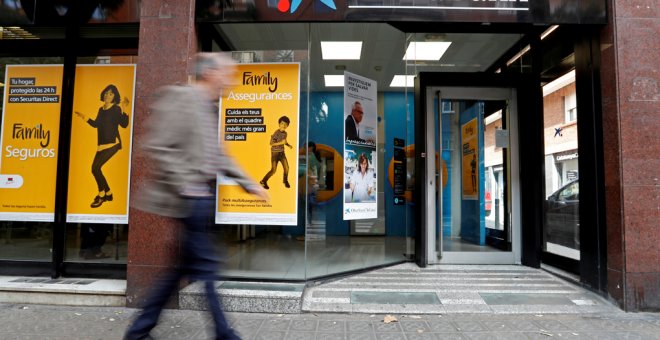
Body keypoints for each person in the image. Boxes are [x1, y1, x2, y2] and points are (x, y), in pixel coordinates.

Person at [124, 53, 268, 340]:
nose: (231, 79)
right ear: (211, 73)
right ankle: (224, 334)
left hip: (200, 200)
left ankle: (138, 332)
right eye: (227, 73)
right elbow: (159, 147)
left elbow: (218, 156)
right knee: (207, 269)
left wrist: (249, 184)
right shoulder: (183, 99)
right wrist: (187, 184)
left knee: (179, 271)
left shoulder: (208, 107)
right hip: (189, 199)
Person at [74, 84, 130, 208]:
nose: (107, 95)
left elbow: (124, 124)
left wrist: (124, 107)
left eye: (110, 93)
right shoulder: (101, 109)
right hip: (101, 145)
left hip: (113, 144)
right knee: (96, 169)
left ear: (114, 96)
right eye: (106, 93)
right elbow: (96, 125)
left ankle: (101, 195)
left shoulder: (116, 109)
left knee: (95, 168)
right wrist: (84, 117)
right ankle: (109, 193)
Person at [260, 115, 293, 190]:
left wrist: (288, 145)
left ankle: (285, 180)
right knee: (273, 170)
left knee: (287, 168)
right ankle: (263, 181)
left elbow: (284, 141)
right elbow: (271, 143)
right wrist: (281, 143)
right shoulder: (276, 133)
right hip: (275, 154)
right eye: (282, 123)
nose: (283, 125)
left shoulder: (285, 133)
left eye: (285, 124)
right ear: (279, 124)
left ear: (287, 126)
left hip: (282, 153)